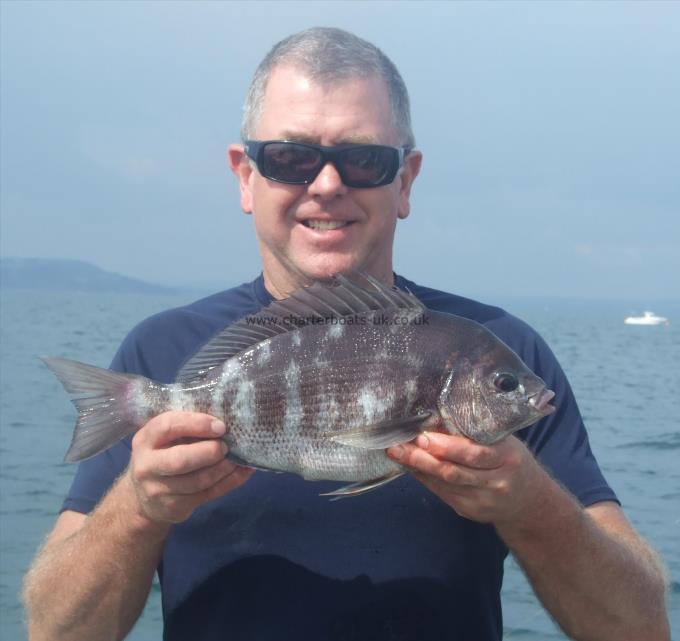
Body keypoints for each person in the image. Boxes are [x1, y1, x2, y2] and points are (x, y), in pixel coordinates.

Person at [23, 27, 669, 641]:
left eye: (363, 159)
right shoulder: (161, 352)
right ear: (245, 176)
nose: (327, 185)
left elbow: (639, 625)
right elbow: (54, 629)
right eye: (290, 157)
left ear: (406, 179)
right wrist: (139, 504)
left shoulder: (502, 350)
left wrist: (529, 503)